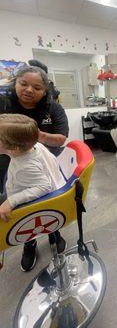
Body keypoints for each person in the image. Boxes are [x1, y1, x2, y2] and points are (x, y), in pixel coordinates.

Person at [0, 65, 69, 270]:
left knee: (41, 205)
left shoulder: (52, 110)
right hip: (14, 162)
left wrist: (35, 135)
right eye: (23, 84)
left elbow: (61, 138)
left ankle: (53, 231)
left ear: (45, 90)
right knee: (25, 210)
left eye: (37, 87)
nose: (29, 90)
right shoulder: (3, 104)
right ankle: (29, 244)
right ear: (15, 83)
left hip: (35, 164)